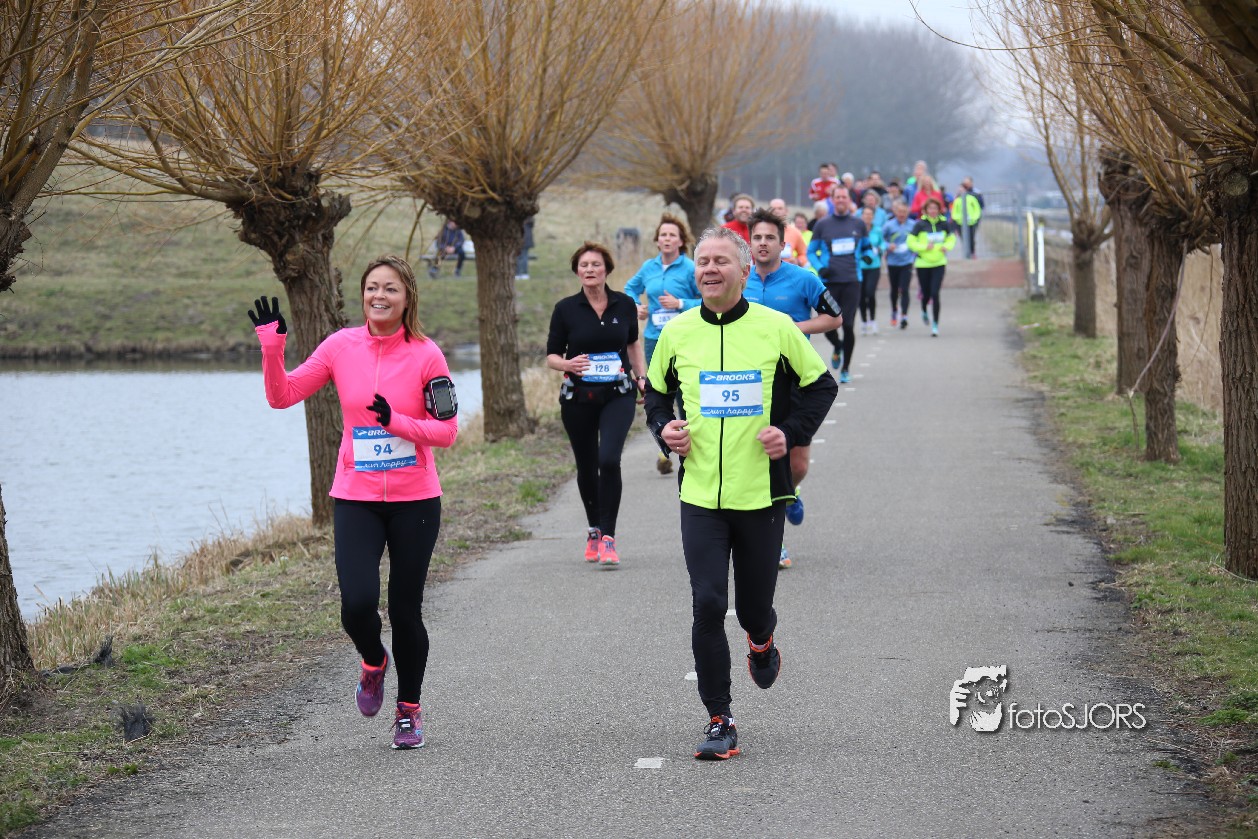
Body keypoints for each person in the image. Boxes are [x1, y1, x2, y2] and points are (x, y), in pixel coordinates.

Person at [247, 255, 459, 750]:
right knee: (356, 605)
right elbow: (282, 396)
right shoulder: (340, 346)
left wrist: (396, 422)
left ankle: (408, 711)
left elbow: (447, 431)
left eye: (390, 288)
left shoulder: (427, 354)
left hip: (415, 499)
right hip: (356, 498)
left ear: (407, 298)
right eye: (372, 287)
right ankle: (373, 659)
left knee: (405, 611)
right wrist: (272, 347)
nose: (379, 296)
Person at [643, 226, 838, 761]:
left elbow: (822, 386)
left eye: (721, 261)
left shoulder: (776, 328)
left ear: (745, 270)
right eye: (702, 261)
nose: (709, 269)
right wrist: (664, 429)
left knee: (753, 608)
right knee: (708, 603)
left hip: (761, 496)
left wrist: (790, 433)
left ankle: (761, 639)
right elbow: (655, 394)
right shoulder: (678, 332)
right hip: (700, 494)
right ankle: (719, 718)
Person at [744, 208, 843, 569]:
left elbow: (834, 317)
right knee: (761, 462)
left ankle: (791, 490)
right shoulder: (739, 280)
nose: (763, 243)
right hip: (752, 381)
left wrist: (795, 328)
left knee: (796, 465)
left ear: (783, 243)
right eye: (757, 237)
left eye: (770, 237)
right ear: (749, 243)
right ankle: (775, 541)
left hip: (796, 378)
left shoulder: (804, 279)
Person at [546, 242, 647, 567]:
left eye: (596, 264)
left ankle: (608, 538)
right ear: (577, 271)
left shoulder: (624, 304)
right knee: (587, 465)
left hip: (617, 393)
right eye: (584, 265)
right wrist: (567, 364)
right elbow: (551, 356)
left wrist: (642, 378)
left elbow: (632, 343)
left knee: (609, 459)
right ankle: (593, 528)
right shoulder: (566, 309)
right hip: (579, 398)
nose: (590, 270)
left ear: (607, 269)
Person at [624, 214, 700, 476]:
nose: (667, 239)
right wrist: (636, 306)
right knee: (659, 391)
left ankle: (687, 444)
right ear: (657, 241)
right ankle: (665, 445)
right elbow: (630, 289)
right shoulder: (649, 267)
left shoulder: (690, 268)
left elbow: (706, 298)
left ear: (681, 241)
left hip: (685, 337)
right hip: (655, 337)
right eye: (663, 235)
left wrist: (681, 304)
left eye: (672, 235)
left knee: (684, 394)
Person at [807, 185, 867, 384]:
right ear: (832, 200)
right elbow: (810, 252)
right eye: (837, 197)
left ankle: (846, 368)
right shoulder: (822, 224)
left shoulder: (858, 223)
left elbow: (867, 248)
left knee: (848, 324)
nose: (841, 200)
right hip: (829, 282)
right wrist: (820, 267)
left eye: (844, 197)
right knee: (829, 325)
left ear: (849, 200)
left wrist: (868, 256)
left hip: (852, 280)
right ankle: (837, 345)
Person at [907, 197, 957, 336]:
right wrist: (924, 246)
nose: (933, 211)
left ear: (939, 210)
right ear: (925, 210)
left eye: (935, 208)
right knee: (926, 293)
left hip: (939, 262)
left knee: (935, 293)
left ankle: (935, 325)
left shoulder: (944, 223)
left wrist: (947, 246)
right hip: (923, 263)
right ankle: (924, 309)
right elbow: (910, 242)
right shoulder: (920, 224)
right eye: (930, 208)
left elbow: (951, 238)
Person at [882, 199, 916, 329]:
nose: (902, 214)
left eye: (904, 212)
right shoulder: (889, 225)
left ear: (908, 212)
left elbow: (918, 239)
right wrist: (887, 245)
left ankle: (904, 315)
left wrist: (914, 249)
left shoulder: (913, 225)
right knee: (895, 289)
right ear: (895, 212)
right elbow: (880, 240)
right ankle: (894, 310)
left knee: (905, 289)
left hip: (907, 261)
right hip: (893, 262)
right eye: (900, 211)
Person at [856, 206, 883, 335]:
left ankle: (872, 320)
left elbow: (883, 243)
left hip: (874, 265)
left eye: (870, 214)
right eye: (865, 214)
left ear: (873, 216)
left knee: (870, 293)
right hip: (860, 266)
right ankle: (864, 321)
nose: (868, 216)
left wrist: (880, 248)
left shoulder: (877, 230)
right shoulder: (857, 230)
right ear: (861, 216)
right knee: (861, 295)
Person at [767, 198, 809, 267]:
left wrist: (798, 261)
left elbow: (804, 254)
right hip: (765, 271)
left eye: (780, 208)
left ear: (786, 211)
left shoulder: (795, 232)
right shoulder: (761, 230)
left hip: (787, 271)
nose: (776, 211)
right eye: (773, 209)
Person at [951, 177, 984, 259]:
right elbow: (954, 210)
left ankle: (972, 253)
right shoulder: (957, 199)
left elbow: (977, 209)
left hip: (971, 222)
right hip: (960, 222)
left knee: (971, 238)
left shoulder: (973, 197)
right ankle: (966, 253)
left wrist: (975, 218)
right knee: (963, 238)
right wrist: (956, 219)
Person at [515, 216, 535, 280]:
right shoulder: (530, 220)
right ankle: (524, 273)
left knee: (518, 257)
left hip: (519, 240)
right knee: (524, 257)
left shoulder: (517, 219)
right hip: (527, 240)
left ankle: (517, 273)